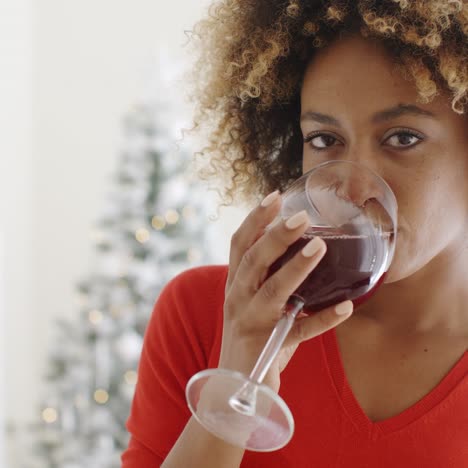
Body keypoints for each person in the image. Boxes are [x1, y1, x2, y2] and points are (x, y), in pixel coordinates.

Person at [121, 1, 468, 466]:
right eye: (324, 140)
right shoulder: (202, 314)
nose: (353, 186)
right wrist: (238, 365)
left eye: (402, 138)